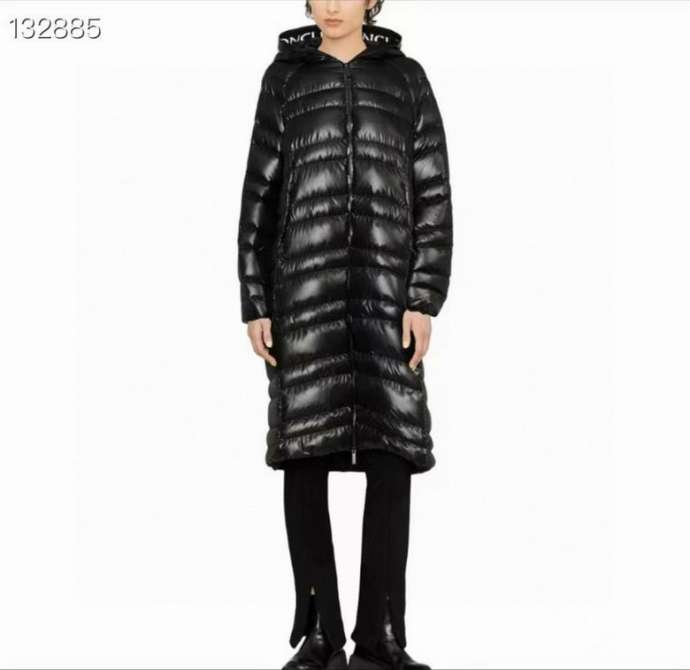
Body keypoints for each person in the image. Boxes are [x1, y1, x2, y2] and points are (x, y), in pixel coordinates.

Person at [237, 1, 453, 668]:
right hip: (302, 296)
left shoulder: (406, 78)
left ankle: (380, 636)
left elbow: (433, 192)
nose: (332, 4)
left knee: (392, 460)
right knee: (303, 456)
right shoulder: (285, 78)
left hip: (386, 299)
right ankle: (319, 635)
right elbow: (258, 196)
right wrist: (255, 301)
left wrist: (423, 297)